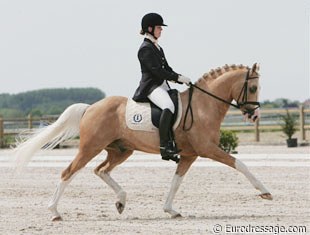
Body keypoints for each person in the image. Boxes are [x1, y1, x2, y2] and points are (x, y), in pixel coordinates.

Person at [132, 13, 191, 162]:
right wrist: (177, 78)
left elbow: (167, 69)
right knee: (168, 106)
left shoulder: (157, 47)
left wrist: (181, 78)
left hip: (162, 85)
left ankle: (173, 140)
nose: (161, 30)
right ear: (150, 28)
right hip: (151, 87)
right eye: (159, 28)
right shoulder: (145, 48)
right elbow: (157, 71)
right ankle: (165, 147)